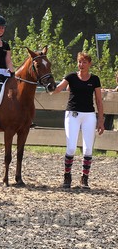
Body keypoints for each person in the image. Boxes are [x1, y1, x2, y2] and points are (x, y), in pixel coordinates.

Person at [50, 52, 104, 189]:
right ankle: (67, 176)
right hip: (72, 114)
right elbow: (58, 89)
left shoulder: (95, 79)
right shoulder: (71, 77)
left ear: (89, 64)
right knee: (71, 147)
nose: (81, 65)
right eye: (80, 62)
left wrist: (101, 120)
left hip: (89, 115)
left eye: (84, 62)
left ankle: (84, 178)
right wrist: (49, 85)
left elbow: (99, 100)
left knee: (88, 149)